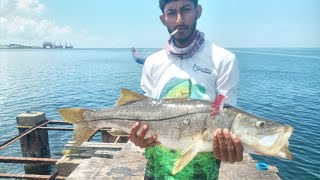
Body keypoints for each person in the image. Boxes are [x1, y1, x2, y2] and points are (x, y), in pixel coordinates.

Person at [129, 0, 243, 179]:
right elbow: (146, 110)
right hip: (155, 171)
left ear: (198, 11)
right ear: (163, 19)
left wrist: (228, 148)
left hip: (202, 174)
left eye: (186, 10)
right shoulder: (153, 62)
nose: (179, 20)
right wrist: (138, 137)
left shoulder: (224, 60)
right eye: (171, 13)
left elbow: (225, 116)